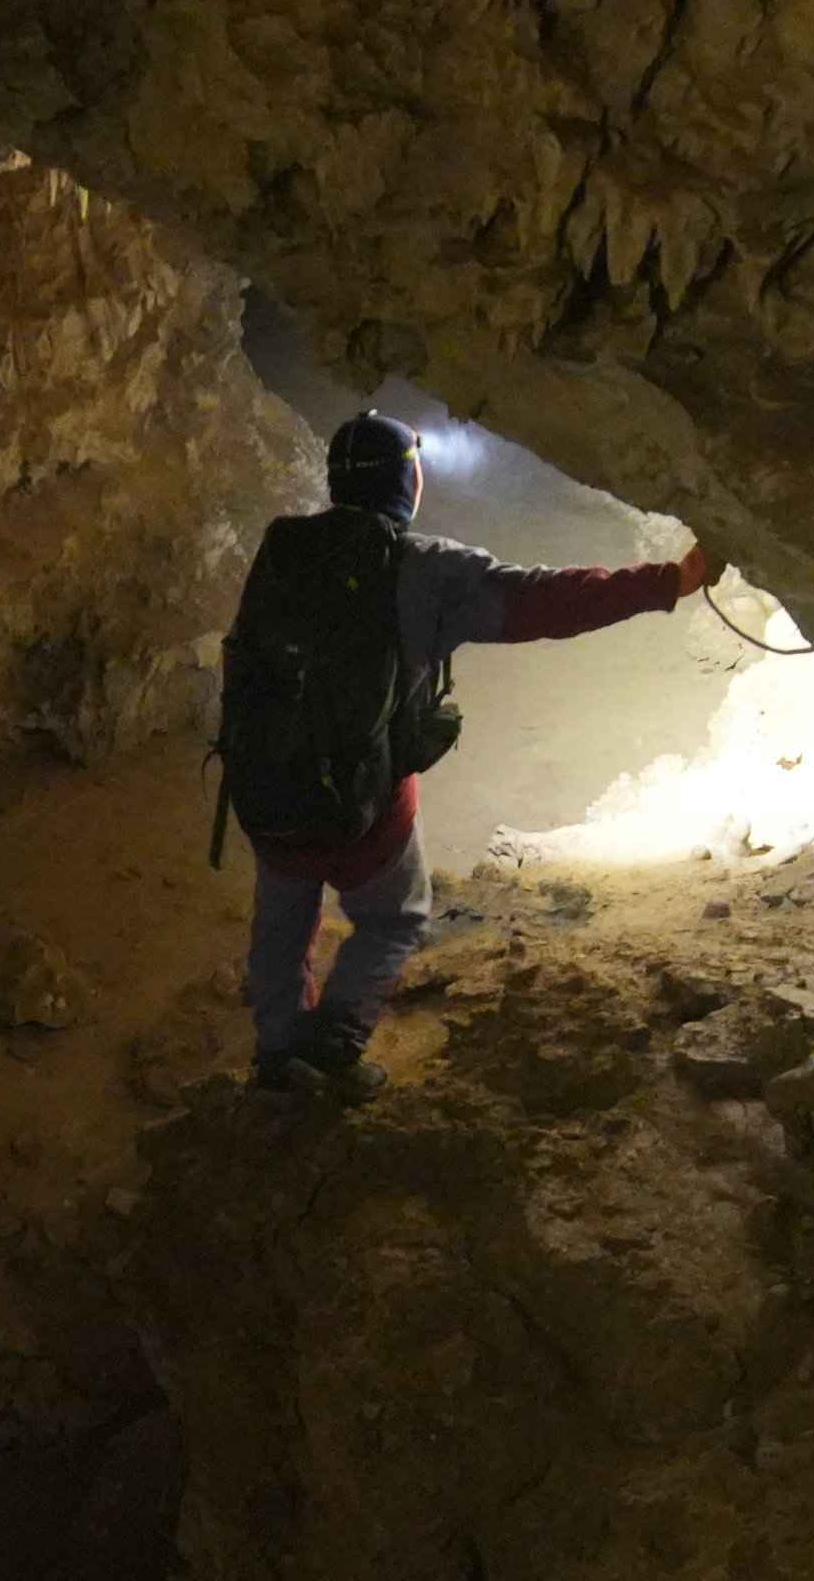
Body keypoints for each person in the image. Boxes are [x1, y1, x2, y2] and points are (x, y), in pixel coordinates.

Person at [215, 409, 713, 1101]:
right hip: (364, 810)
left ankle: (277, 1054)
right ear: (405, 483)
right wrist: (667, 582)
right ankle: (334, 1047)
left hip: (269, 788)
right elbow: (544, 601)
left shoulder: (283, 548)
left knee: (282, 919)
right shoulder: (424, 570)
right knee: (394, 915)